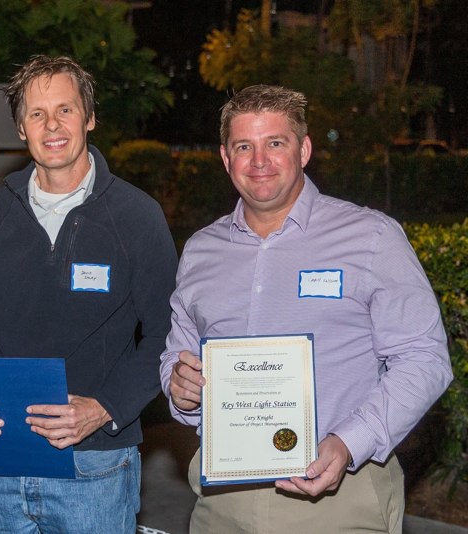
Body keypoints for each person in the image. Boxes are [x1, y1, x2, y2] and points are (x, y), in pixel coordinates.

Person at [160, 84, 453, 533]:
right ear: (225, 158)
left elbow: (425, 358)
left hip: (339, 499)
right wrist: (179, 386)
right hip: (224, 504)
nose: (259, 161)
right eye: (244, 146)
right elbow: (176, 356)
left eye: (275, 143)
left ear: (304, 149)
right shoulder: (202, 250)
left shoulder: (370, 237)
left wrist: (348, 443)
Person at [0, 55, 178, 533]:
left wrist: (105, 407)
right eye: (36, 113)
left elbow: (167, 333)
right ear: (20, 128)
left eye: (65, 110)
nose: (52, 125)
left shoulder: (137, 216)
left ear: (89, 117)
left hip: (96, 470)